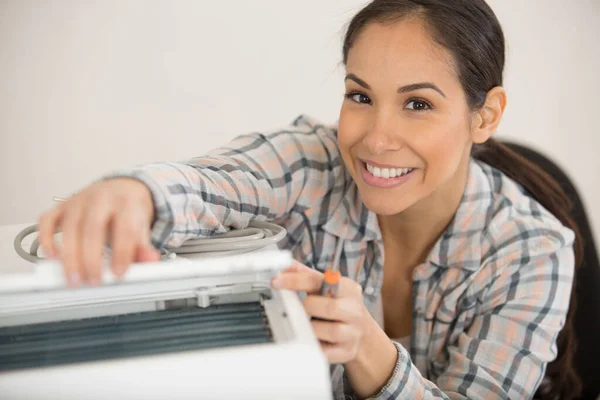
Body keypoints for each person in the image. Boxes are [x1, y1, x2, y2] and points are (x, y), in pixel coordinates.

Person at [37, 0, 583, 399]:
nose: (376, 138)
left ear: (484, 116)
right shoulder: (312, 161)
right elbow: (222, 180)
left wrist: (370, 351)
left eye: (417, 104)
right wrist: (136, 193)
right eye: (360, 96)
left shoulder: (534, 252)